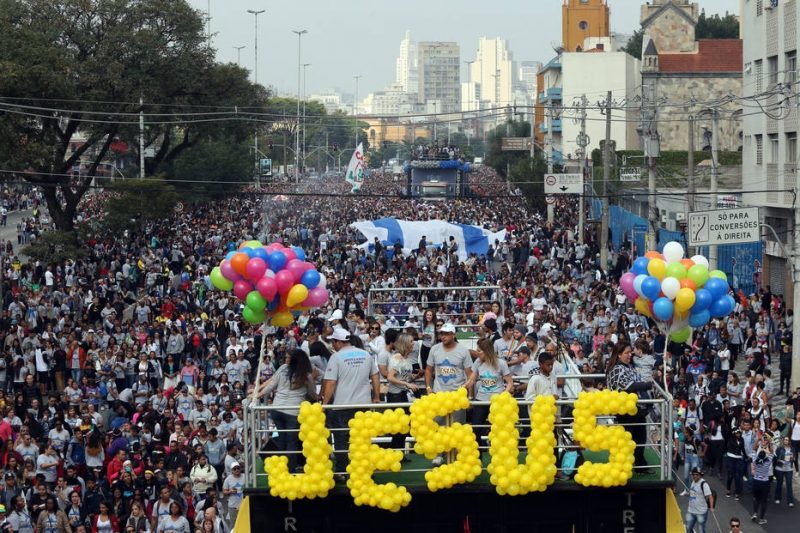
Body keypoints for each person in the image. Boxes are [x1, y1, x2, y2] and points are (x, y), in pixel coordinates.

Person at [321, 328, 380, 480]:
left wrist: (325, 404)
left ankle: (342, 471)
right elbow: (375, 376)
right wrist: (376, 397)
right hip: (363, 405)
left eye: (333, 342)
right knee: (363, 440)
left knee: (341, 440)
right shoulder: (365, 354)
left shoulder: (336, 357)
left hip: (342, 406)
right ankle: (363, 470)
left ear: (338, 342)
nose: (332, 345)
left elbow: (331, 383)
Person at [257, 350, 316, 472]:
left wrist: (258, 394)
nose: (286, 360)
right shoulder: (306, 375)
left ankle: (282, 467)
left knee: (282, 439)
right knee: (292, 442)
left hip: (277, 408)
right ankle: (290, 469)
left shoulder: (283, 368)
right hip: (293, 411)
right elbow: (312, 394)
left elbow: (271, 386)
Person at [423, 323, 472, 466]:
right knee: (437, 426)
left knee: (457, 428)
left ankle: (457, 459)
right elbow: (428, 370)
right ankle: (439, 455)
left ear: (453, 334)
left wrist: (468, 396)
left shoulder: (463, 351)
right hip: (439, 395)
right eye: (441, 333)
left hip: (457, 397)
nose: (442, 336)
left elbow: (469, 375)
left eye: (446, 333)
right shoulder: (434, 349)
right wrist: (428, 388)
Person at [606, 342, 654, 471]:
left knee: (640, 438)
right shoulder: (617, 369)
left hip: (636, 409)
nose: (629, 355)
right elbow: (630, 386)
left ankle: (640, 465)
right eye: (626, 353)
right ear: (619, 355)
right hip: (625, 411)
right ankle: (623, 467)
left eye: (630, 352)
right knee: (626, 441)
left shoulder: (629, 367)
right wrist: (648, 385)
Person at [464, 338, 513, 453]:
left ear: (487, 351)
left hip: (497, 403)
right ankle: (478, 459)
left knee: (499, 432)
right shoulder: (477, 363)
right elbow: (472, 380)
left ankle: (500, 458)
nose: (477, 353)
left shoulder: (501, 363)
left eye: (479, 351)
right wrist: (463, 387)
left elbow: (509, 382)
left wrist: (504, 395)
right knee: (476, 430)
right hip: (481, 401)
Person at [385, 333, 419, 452]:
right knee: (399, 427)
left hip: (403, 394)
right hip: (395, 396)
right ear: (405, 343)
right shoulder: (397, 358)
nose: (413, 343)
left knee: (405, 426)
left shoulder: (406, 358)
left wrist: (413, 377)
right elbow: (390, 377)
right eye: (411, 341)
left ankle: (398, 453)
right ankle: (394, 453)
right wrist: (407, 384)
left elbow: (404, 377)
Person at [750, 433, 773, 525]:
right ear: (765, 456)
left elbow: (753, 449)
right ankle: (761, 519)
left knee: (756, 498)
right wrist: (770, 442)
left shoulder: (755, 460)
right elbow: (771, 452)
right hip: (765, 483)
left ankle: (755, 513)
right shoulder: (768, 461)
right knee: (763, 501)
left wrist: (757, 440)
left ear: (758, 455)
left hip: (756, 481)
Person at [685, 467, 714, 533]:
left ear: (700, 475)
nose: (694, 476)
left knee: (701, 530)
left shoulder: (704, 484)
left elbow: (710, 496)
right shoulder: (693, 482)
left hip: (701, 512)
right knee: (688, 528)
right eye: (693, 474)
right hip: (691, 510)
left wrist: (711, 507)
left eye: (696, 474)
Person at [774, 435, 795, 508]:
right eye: (785, 440)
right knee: (779, 483)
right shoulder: (779, 448)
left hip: (789, 469)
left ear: (789, 441)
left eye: (787, 440)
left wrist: (792, 458)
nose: (786, 441)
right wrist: (781, 461)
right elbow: (776, 458)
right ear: (783, 441)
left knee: (789, 485)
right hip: (780, 468)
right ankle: (777, 498)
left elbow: (794, 458)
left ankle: (790, 501)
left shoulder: (792, 449)